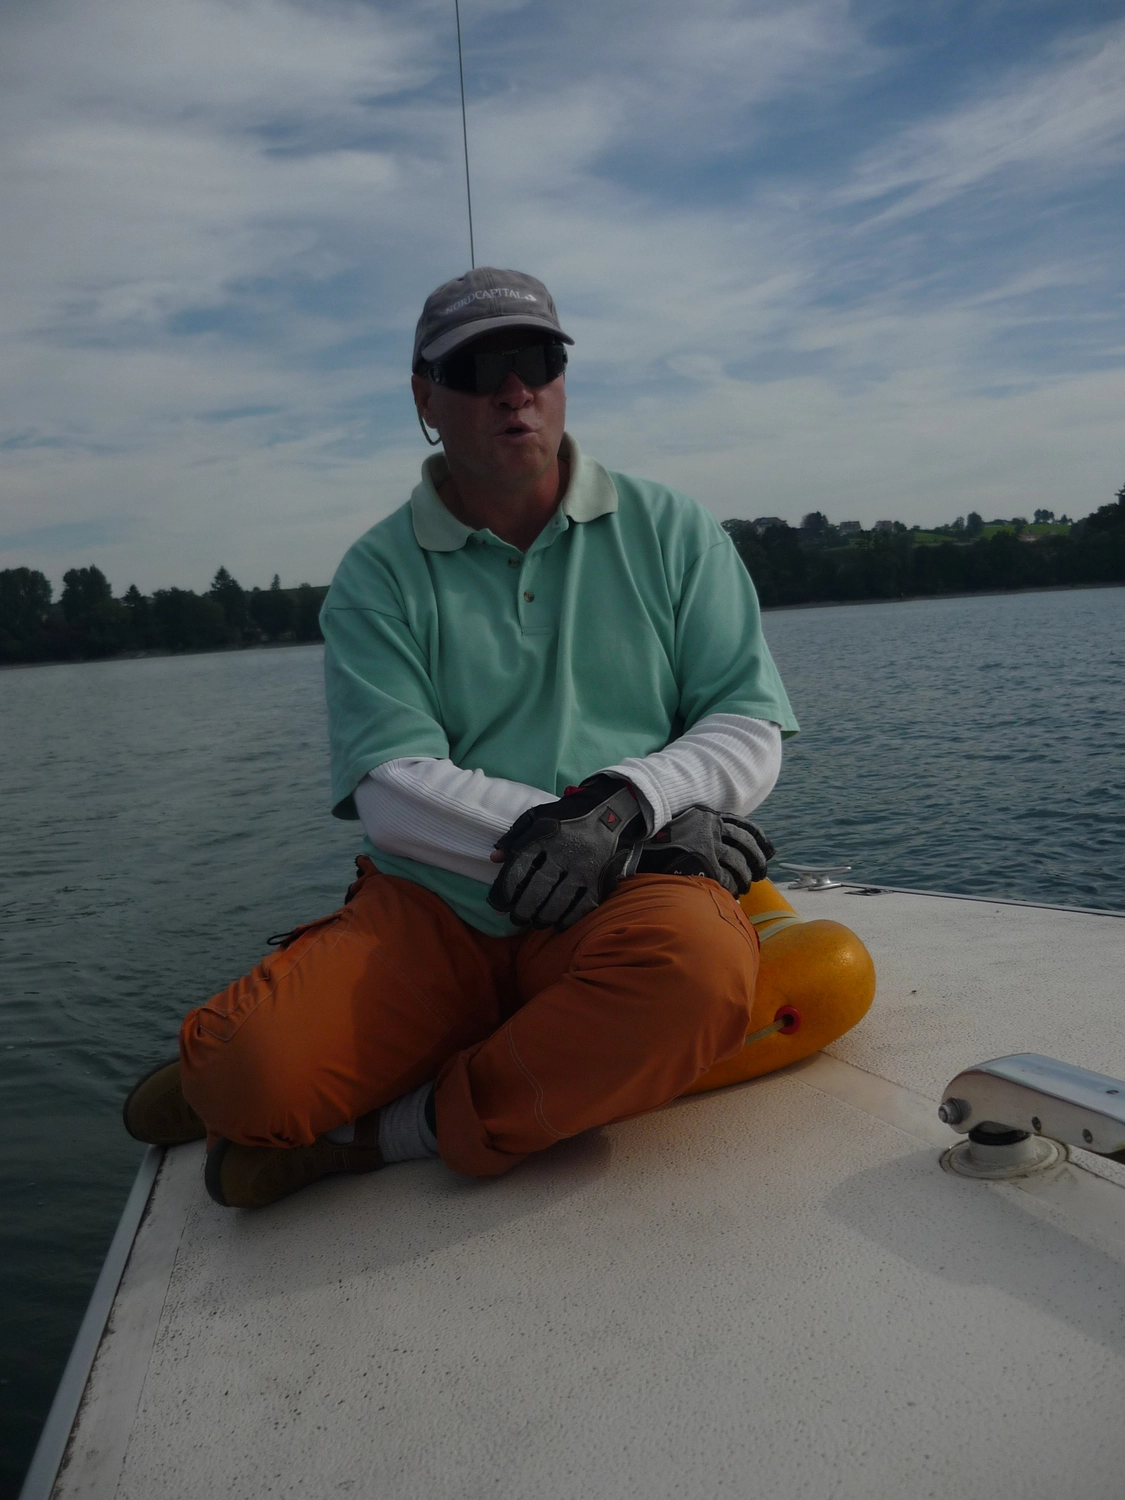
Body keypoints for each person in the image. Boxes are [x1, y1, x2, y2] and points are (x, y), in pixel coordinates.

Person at [123, 267, 799, 1209]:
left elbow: (745, 720)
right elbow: (391, 786)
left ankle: (380, 1133)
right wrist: (598, 835)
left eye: (537, 359)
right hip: (437, 907)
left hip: (621, 899)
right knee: (242, 1080)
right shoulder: (376, 573)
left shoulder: (674, 530)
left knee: (693, 978)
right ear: (424, 399)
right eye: (478, 369)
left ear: (561, 379)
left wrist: (626, 807)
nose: (514, 389)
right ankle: (354, 1059)